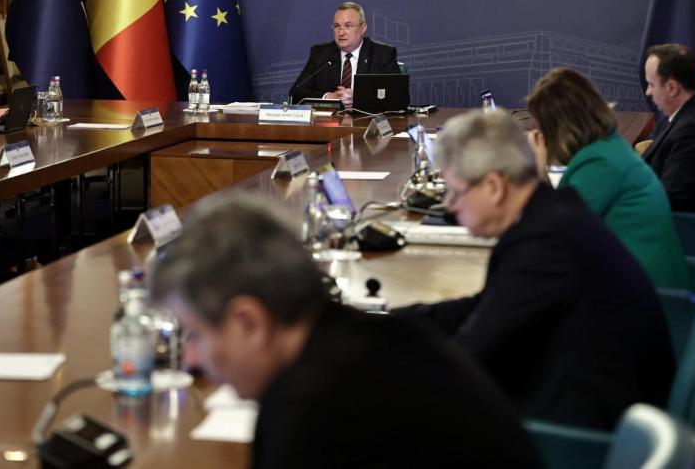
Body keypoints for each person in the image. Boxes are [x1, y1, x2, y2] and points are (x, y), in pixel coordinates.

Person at [149, 196, 541, 468]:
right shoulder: (371, 336)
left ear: (249, 322)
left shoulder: (312, 415)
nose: (190, 359)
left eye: (195, 335)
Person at [393, 110, 675, 430]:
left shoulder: (544, 244)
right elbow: (486, 305)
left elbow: (474, 350)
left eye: (456, 192)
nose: (451, 206)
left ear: (494, 186)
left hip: (586, 434)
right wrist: (398, 322)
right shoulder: (551, 213)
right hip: (591, 393)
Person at [526, 67, 692, 291]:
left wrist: (538, 167)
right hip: (643, 284)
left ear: (556, 127)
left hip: (652, 296)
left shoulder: (598, 164)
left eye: (540, 126)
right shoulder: (607, 148)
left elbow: (553, 236)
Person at [289, 2, 401, 107]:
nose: (341, 32)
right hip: (330, 120)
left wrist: (359, 98)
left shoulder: (383, 54)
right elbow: (296, 92)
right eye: (337, 26)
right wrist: (328, 97)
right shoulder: (321, 54)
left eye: (348, 26)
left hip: (366, 119)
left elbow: (399, 97)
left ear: (363, 28)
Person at [642, 43, 695, 213]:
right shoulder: (684, 117)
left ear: (671, 88)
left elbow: (672, 198)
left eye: (651, 84)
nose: (648, 92)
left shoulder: (692, 129)